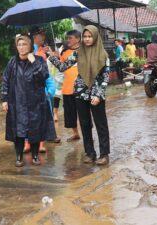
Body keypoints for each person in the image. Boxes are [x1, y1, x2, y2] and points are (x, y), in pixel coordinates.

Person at [48, 25, 111, 165]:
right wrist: (53, 57)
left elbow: (105, 77)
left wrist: (98, 95)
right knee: (84, 123)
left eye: (90, 36)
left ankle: (104, 154)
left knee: (101, 124)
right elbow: (63, 67)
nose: (87, 39)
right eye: (85, 37)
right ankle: (90, 153)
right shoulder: (78, 53)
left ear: (95, 37)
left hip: (96, 94)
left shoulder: (103, 55)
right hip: (80, 92)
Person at [1, 34, 56, 167]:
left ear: (30, 46)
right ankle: (19, 157)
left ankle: (35, 156)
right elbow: (5, 81)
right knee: (18, 131)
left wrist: (34, 61)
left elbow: (44, 76)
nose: (21, 47)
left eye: (24, 44)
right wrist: (4, 99)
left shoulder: (39, 60)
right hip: (17, 102)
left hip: (35, 102)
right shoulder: (12, 62)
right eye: (19, 45)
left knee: (35, 129)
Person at [55, 30, 81, 142]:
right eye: (67, 38)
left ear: (78, 39)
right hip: (67, 88)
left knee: (84, 114)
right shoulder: (64, 53)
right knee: (70, 114)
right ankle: (76, 133)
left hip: (81, 89)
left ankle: (86, 134)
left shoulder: (83, 52)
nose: (68, 40)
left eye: (70, 38)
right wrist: (56, 56)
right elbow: (60, 67)